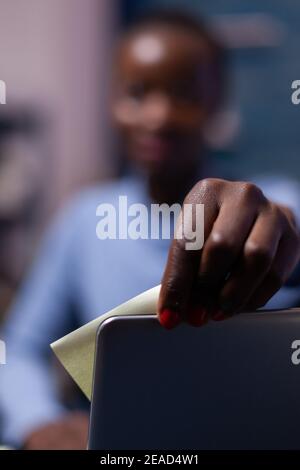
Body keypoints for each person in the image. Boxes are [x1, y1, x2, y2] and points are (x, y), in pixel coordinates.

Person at [0, 10, 300, 450]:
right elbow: (18, 351)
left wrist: (282, 231)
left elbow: (286, 225)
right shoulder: (84, 220)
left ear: (217, 102)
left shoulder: (273, 203)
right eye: (137, 93)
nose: (158, 115)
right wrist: (39, 422)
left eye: (184, 94)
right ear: (111, 102)